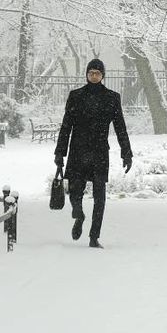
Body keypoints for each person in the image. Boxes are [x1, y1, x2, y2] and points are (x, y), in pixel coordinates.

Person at [53, 58, 133, 248]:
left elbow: (120, 127)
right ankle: (79, 214)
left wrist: (126, 153)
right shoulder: (76, 96)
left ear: (102, 75)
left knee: (100, 197)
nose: (94, 76)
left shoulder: (112, 98)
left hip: (99, 153)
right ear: (87, 75)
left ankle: (93, 236)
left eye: (97, 73)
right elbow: (66, 126)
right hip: (78, 151)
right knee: (74, 191)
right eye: (91, 73)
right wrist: (59, 153)